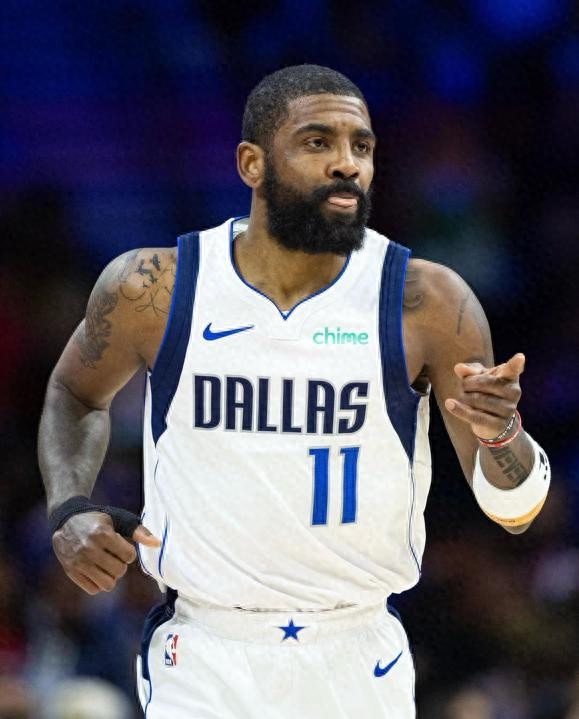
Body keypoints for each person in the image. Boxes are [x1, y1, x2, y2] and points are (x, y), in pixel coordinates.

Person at [38, 64, 551, 718]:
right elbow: (73, 394)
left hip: (355, 652)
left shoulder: (425, 302)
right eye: (317, 142)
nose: (347, 163)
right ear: (251, 163)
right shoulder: (154, 288)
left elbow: (516, 512)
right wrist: (69, 507)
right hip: (204, 651)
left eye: (361, 146)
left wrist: (501, 433)